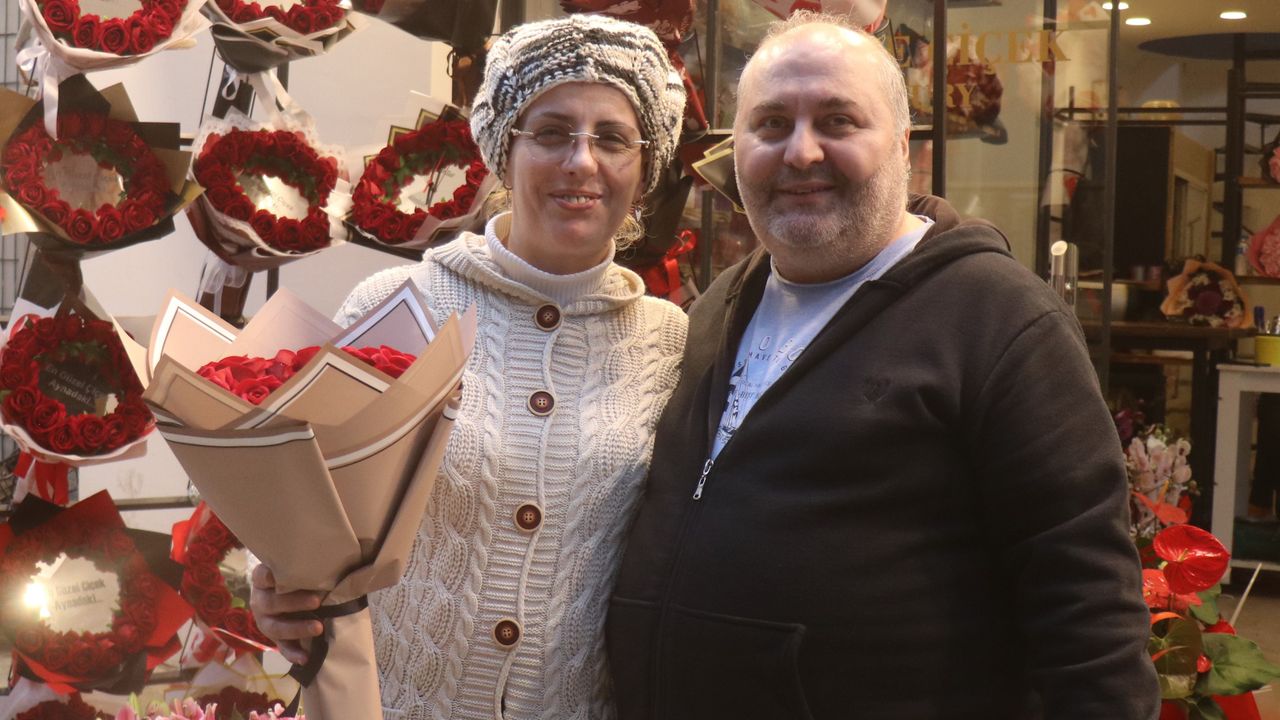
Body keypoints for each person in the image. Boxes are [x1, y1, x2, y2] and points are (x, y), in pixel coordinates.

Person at [606, 12, 1161, 720]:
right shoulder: (721, 304)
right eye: (770, 124)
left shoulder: (998, 320)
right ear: (733, 149)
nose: (800, 151)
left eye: (837, 121)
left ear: (902, 145)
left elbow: (1087, 612)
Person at [249, 14, 688, 719]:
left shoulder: (669, 344)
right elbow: (305, 490)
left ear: (645, 168)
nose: (581, 161)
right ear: (503, 152)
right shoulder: (399, 305)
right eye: (551, 132)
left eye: (612, 138)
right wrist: (272, 583)